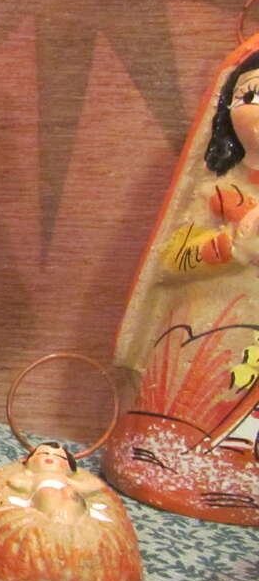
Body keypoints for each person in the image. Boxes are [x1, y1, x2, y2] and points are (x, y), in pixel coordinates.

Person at [105, 39, 259, 524]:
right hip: (212, 327)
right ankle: (179, 460)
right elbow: (172, 258)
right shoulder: (219, 190)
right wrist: (231, 247)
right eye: (252, 95)